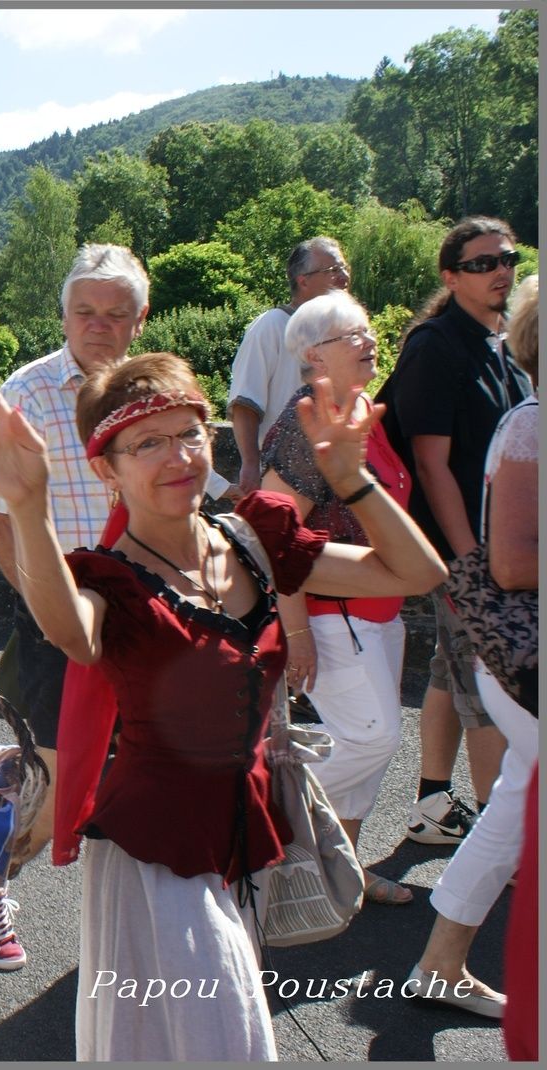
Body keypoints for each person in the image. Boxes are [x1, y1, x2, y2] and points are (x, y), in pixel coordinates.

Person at [0, 353, 444, 1061]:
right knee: (228, 1045)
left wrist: (351, 479)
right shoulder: (112, 580)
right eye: (147, 443)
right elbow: (72, 636)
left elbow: (418, 572)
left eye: (191, 433)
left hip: (239, 847)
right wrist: (26, 505)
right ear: (106, 469)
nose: (178, 456)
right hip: (156, 863)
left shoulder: (254, 537)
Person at [0, 243, 150, 970]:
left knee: (136, 775)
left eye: (115, 314)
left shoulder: (150, 389)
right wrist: (46, 606)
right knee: (52, 779)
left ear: (139, 321)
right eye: (85, 312)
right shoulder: (31, 391)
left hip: (141, 619)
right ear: (64, 314)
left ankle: (129, 931)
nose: (98, 326)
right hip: (59, 615)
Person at [405, 272, 538, 1021]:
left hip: (521, 667)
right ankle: (439, 964)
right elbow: (515, 564)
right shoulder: (530, 426)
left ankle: (440, 964)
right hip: (528, 666)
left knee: (516, 805)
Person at [260, 291, 415, 904]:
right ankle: (252, 823)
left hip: (379, 613)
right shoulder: (306, 422)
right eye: (353, 334)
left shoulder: (360, 413)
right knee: (373, 737)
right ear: (314, 356)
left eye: (367, 329)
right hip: (329, 615)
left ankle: (341, 869)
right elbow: (273, 537)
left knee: (370, 750)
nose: (370, 340)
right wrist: (294, 631)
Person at [380, 217, 529, 846]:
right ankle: (508, 838)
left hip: (494, 549)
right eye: (482, 263)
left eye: (508, 259)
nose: (500, 271)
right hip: (466, 552)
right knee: (492, 692)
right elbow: (431, 463)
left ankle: (432, 807)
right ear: (450, 276)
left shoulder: (500, 342)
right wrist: (468, 561)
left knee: (452, 668)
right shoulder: (437, 345)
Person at [229, 237, 351, 498]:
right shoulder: (272, 326)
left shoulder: (344, 335)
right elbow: (245, 401)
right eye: (333, 270)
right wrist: (251, 464)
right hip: (282, 477)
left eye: (344, 268)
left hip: (333, 476)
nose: (344, 277)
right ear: (303, 280)